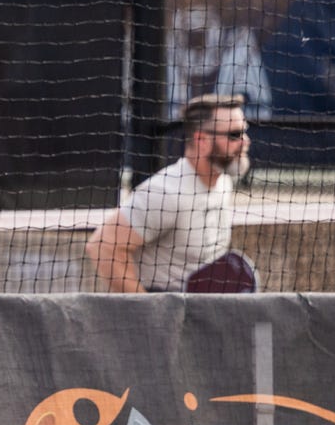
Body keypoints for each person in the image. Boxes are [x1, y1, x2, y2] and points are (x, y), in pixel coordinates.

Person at [86, 92, 258, 294]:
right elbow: (102, 246)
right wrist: (150, 310)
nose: (245, 141)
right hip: (163, 317)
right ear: (201, 139)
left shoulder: (223, 181)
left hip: (201, 316)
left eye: (245, 132)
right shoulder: (166, 193)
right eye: (234, 135)